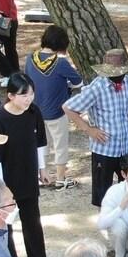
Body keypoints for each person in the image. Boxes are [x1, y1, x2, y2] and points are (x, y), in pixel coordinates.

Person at [0, 72, 52, 257]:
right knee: (6, 225)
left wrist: (42, 168)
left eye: (31, 94)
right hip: (7, 180)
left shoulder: (34, 112)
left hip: (29, 177)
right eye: (24, 95)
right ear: (10, 96)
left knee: (32, 221)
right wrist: (2, 187)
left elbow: (40, 142)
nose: (29, 99)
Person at [64, 48, 128, 207]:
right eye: (114, 73)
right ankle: (105, 224)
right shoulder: (97, 87)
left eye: (121, 72)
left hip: (126, 147)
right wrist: (89, 129)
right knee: (103, 194)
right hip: (104, 149)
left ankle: (126, 221)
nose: (118, 75)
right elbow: (68, 108)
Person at [24, 26, 83, 189]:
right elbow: (79, 82)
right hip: (57, 111)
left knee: (42, 143)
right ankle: (60, 178)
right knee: (60, 145)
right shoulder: (61, 62)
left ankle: (42, 175)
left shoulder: (30, 58)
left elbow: (27, 81)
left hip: (36, 111)